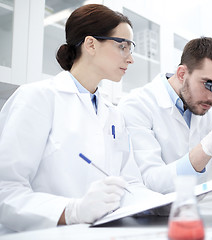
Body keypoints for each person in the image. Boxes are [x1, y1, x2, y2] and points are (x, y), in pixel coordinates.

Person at [0, 4, 160, 234]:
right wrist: (71, 211)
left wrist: (159, 203)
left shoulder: (113, 113)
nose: (131, 58)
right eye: (123, 46)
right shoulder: (37, 98)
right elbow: (6, 191)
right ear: (91, 44)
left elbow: (129, 183)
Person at [118, 37, 212, 194]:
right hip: (150, 215)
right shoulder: (136, 105)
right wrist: (206, 148)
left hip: (189, 210)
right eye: (209, 85)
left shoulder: (207, 109)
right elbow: (151, 182)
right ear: (181, 74)